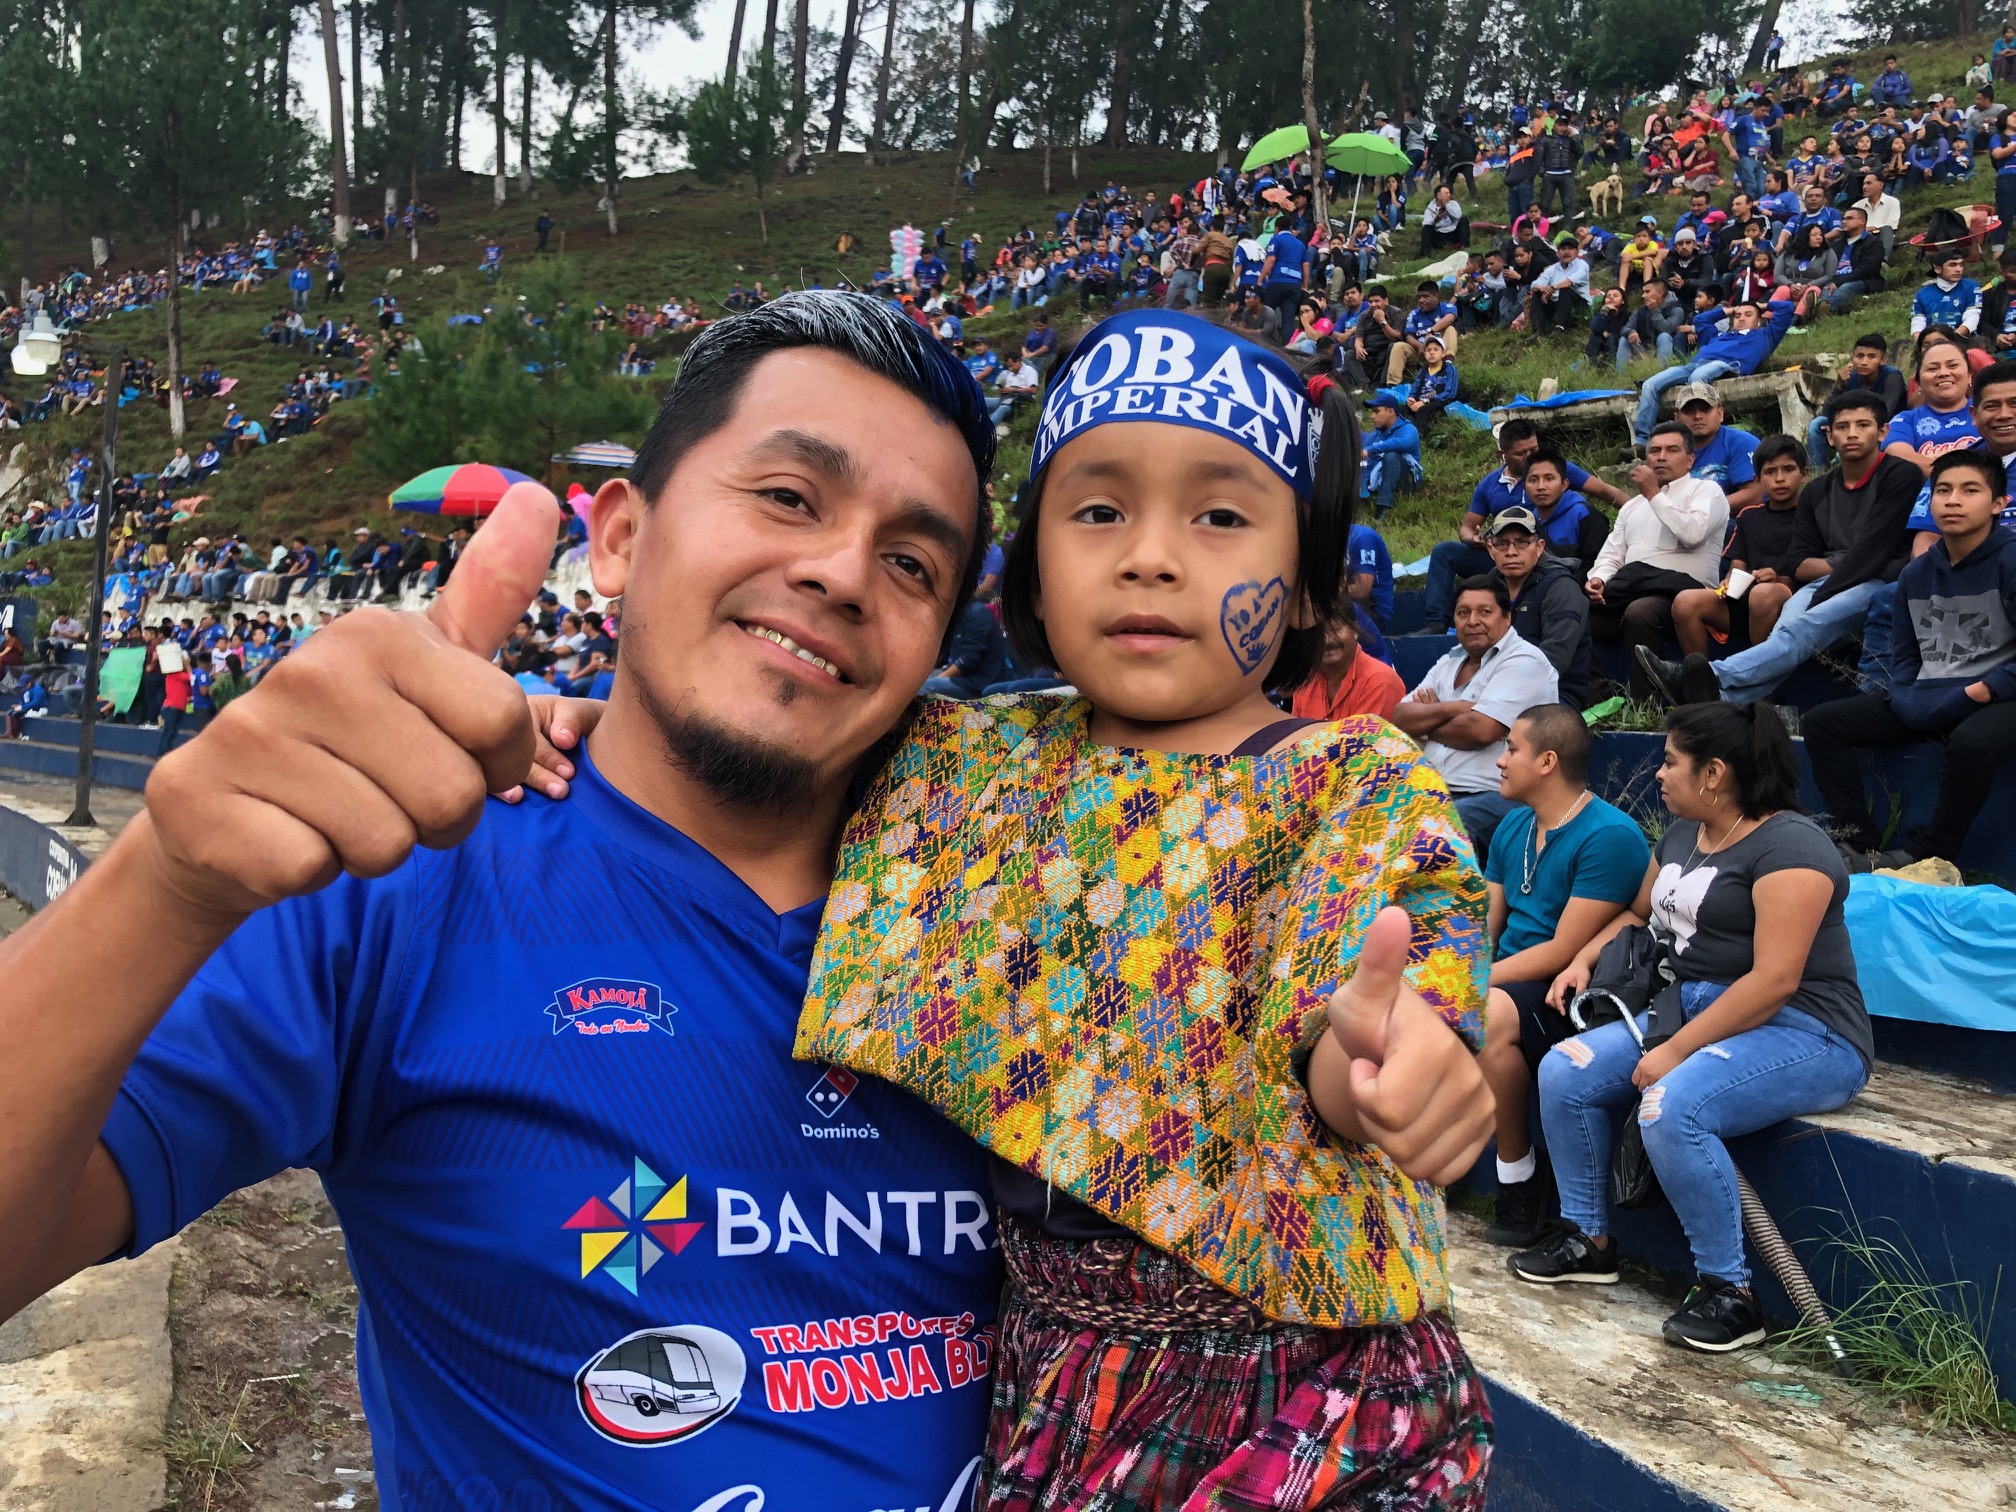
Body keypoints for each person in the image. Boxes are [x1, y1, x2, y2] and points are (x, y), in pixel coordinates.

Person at [0, 294, 1039, 1509]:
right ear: (619, 540)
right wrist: (168, 882)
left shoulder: (1015, 913)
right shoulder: (398, 881)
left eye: (913, 562)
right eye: (788, 497)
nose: (842, 571)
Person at [784, 309, 1495, 1508]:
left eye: (1221, 515)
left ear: (1311, 578)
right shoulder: (957, 768)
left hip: (1312, 1390)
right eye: (1098, 511)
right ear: (1029, 568)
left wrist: (1391, 1060)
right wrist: (581, 728)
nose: (1150, 557)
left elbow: (1365, 996)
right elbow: (751, 756)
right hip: (1050, 1372)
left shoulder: (1351, 784)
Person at [1514, 703, 1870, 1355]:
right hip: (1691, 1011)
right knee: (1566, 1070)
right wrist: (1582, 958)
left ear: (1714, 773)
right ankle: (1588, 1240)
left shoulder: (1793, 848)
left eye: (1671, 761)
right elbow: (1637, 912)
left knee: (1671, 1105)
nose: (1658, 774)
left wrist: (1675, 1051)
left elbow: (1775, 981)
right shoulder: (1683, 833)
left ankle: (1731, 1295)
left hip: (1805, 1031)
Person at [1474, 705, 1651, 1247]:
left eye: (1512, 750)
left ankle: (1520, 1187)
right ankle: (1519, 1177)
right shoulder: (1513, 825)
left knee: (1486, 1011)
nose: (1501, 761)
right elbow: (1487, 922)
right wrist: (1456, 966)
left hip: (1570, 991)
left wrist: (1473, 980)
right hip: (1511, 976)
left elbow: (1562, 950)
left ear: (1547, 761)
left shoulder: (1609, 835)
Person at [1640, 391, 1921, 708]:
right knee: (1787, 634)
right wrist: (1832, 573)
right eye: (1843, 426)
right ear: (1828, 435)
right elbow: (1799, 562)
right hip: (1826, 584)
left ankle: (1701, 678)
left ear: (1883, 431)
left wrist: (1825, 584)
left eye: (1863, 424)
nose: (1852, 434)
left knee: (1800, 628)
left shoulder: (1901, 475)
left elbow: (1875, 551)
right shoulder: (1817, 490)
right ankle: (1722, 700)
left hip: (1877, 584)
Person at [1805, 449, 2016, 870]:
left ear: (1999, 503)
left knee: (1973, 742)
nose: (1953, 500)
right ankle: (1856, 844)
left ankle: (1933, 850)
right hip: (1933, 692)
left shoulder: (2011, 559)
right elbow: (1905, 654)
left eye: (1969, 490)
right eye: (1943, 490)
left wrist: (1985, 688)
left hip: (1999, 697)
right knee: (1823, 722)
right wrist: (1902, 693)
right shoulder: (1915, 575)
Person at [1390, 576, 1559, 860]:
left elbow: (1481, 730)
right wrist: (1454, 708)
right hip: (1434, 788)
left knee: (1443, 826)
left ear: (1507, 617)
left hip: (1500, 796)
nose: (1472, 621)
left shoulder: (1524, 661)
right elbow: (1400, 718)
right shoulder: (1449, 662)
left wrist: (1429, 720)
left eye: (1485, 611)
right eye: (1463, 612)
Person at [1421, 421, 1625, 631]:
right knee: (1444, 552)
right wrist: (1472, 539)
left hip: (1546, 566)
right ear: (1503, 455)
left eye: (1533, 450)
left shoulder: (1558, 475)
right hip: (1501, 553)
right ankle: (1436, 623)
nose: (1541, 485)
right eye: (1521, 454)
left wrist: (1638, 509)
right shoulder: (1489, 484)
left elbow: (1603, 491)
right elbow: (1467, 526)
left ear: (1564, 483)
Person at [1671, 434, 1808, 658]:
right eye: (1770, 472)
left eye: (1788, 469)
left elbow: (1814, 570)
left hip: (1789, 597)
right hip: (1746, 599)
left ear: (1804, 474)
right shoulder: (1748, 516)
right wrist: (1728, 582)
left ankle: (1758, 675)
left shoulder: (1812, 514)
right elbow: (1737, 566)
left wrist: (1779, 579)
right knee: (1685, 602)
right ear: (1758, 479)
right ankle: (1702, 681)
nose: (1779, 478)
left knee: (1764, 594)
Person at [1633, 292, 1813, 448]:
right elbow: (1701, 319)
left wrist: (1760, 305)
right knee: (1650, 384)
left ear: (1759, 321)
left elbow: (1786, 308)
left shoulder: (1765, 335)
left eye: (1748, 314)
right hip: (1695, 364)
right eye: (1738, 315)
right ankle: (1642, 441)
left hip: (1728, 366)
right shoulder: (1719, 336)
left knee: (1698, 377)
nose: (1741, 318)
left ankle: (1700, 434)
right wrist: (1730, 309)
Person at [1483, 503, 1592, 708]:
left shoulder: (1561, 587)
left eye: (1522, 543)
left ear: (1540, 547)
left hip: (1554, 695)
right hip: (1494, 689)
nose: (1511, 552)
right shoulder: (1490, 585)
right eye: (1502, 544)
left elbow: (1553, 660)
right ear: (1491, 549)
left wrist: (1496, 691)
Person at [1289, 603, 1404, 720]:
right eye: (1317, 633)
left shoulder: (1380, 681)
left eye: (1335, 629)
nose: (1327, 640)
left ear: (1355, 630)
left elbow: (1363, 738)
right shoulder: (1306, 680)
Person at [1808, 333, 1904, 464]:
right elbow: (1827, 413)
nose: (1864, 362)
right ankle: (1818, 470)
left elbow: (1886, 412)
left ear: (1883, 360)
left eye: (1871, 357)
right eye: (1859, 356)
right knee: (1817, 424)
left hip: (1885, 428)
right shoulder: (1850, 376)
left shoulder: (1892, 376)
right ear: (1852, 358)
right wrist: (1839, 386)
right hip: (1853, 425)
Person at [1672, 384, 1760, 513]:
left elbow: (1754, 494)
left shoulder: (1741, 442)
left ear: (1720, 413)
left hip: (1734, 522)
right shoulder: (1665, 449)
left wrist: (1703, 509)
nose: (1697, 416)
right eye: (1689, 410)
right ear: (1677, 418)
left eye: (1705, 409)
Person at [920, 598, 1012, 699]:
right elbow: (944, 655)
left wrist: (939, 676)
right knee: (918, 680)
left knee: (925, 686)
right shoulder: (956, 615)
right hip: (963, 677)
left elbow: (969, 660)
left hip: (978, 683)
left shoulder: (977, 614)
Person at [1361, 393, 1422, 520]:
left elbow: (1400, 443)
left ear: (1390, 411)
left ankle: (1383, 507)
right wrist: (1362, 489)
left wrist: (1371, 450)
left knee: (1391, 456)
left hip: (1407, 481)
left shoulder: (1409, 429)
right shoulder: (1373, 436)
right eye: (1372, 412)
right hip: (1379, 480)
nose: (1372, 416)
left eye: (1377, 411)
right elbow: (1366, 465)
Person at [1911, 250, 1983, 338]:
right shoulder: (1923, 293)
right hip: (1932, 342)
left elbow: (1972, 319)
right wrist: (1922, 343)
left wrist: (1950, 339)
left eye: (1961, 265)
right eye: (1952, 265)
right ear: (1937, 269)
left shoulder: (1971, 287)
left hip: (1964, 340)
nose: (1958, 269)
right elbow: (1917, 324)